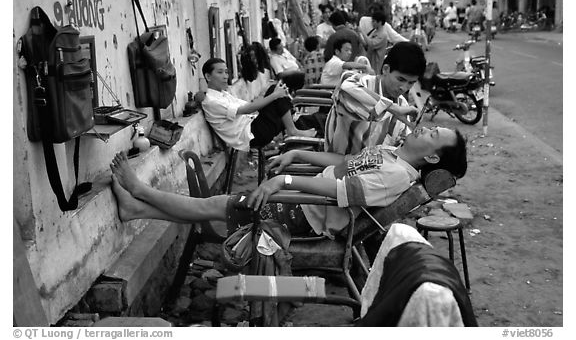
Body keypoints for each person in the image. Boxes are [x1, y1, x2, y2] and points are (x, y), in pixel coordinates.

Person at [110, 125, 467, 239]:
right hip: (305, 202)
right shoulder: (393, 152)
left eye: (433, 133)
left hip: (305, 216)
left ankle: (139, 191)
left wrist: (283, 180)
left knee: (213, 206)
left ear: (432, 157)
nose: (424, 127)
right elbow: (343, 164)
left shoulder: (394, 176)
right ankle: (135, 208)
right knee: (218, 211)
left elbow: (338, 191)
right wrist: (298, 157)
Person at [325, 41, 426, 155]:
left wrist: (403, 141)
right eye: (400, 79)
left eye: (411, 83)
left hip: (374, 168)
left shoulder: (402, 104)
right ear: (386, 69)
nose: (404, 88)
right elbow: (345, 90)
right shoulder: (359, 83)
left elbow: (399, 139)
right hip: (339, 162)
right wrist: (391, 108)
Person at [200, 58, 315, 151]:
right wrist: (274, 95)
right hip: (253, 135)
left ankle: (302, 124)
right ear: (208, 76)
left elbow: (250, 105)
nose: (225, 76)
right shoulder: (212, 101)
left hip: (255, 125)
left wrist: (273, 96)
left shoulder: (223, 95)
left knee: (275, 93)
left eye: (226, 72)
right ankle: (293, 130)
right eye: (220, 72)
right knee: (274, 91)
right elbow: (248, 109)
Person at [359, 10, 407, 75]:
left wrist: (362, 32)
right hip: (370, 64)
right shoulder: (374, 32)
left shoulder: (383, 35)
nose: (372, 23)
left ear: (379, 22)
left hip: (376, 66)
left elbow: (371, 44)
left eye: (373, 21)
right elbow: (366, 45)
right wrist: (358, 34)